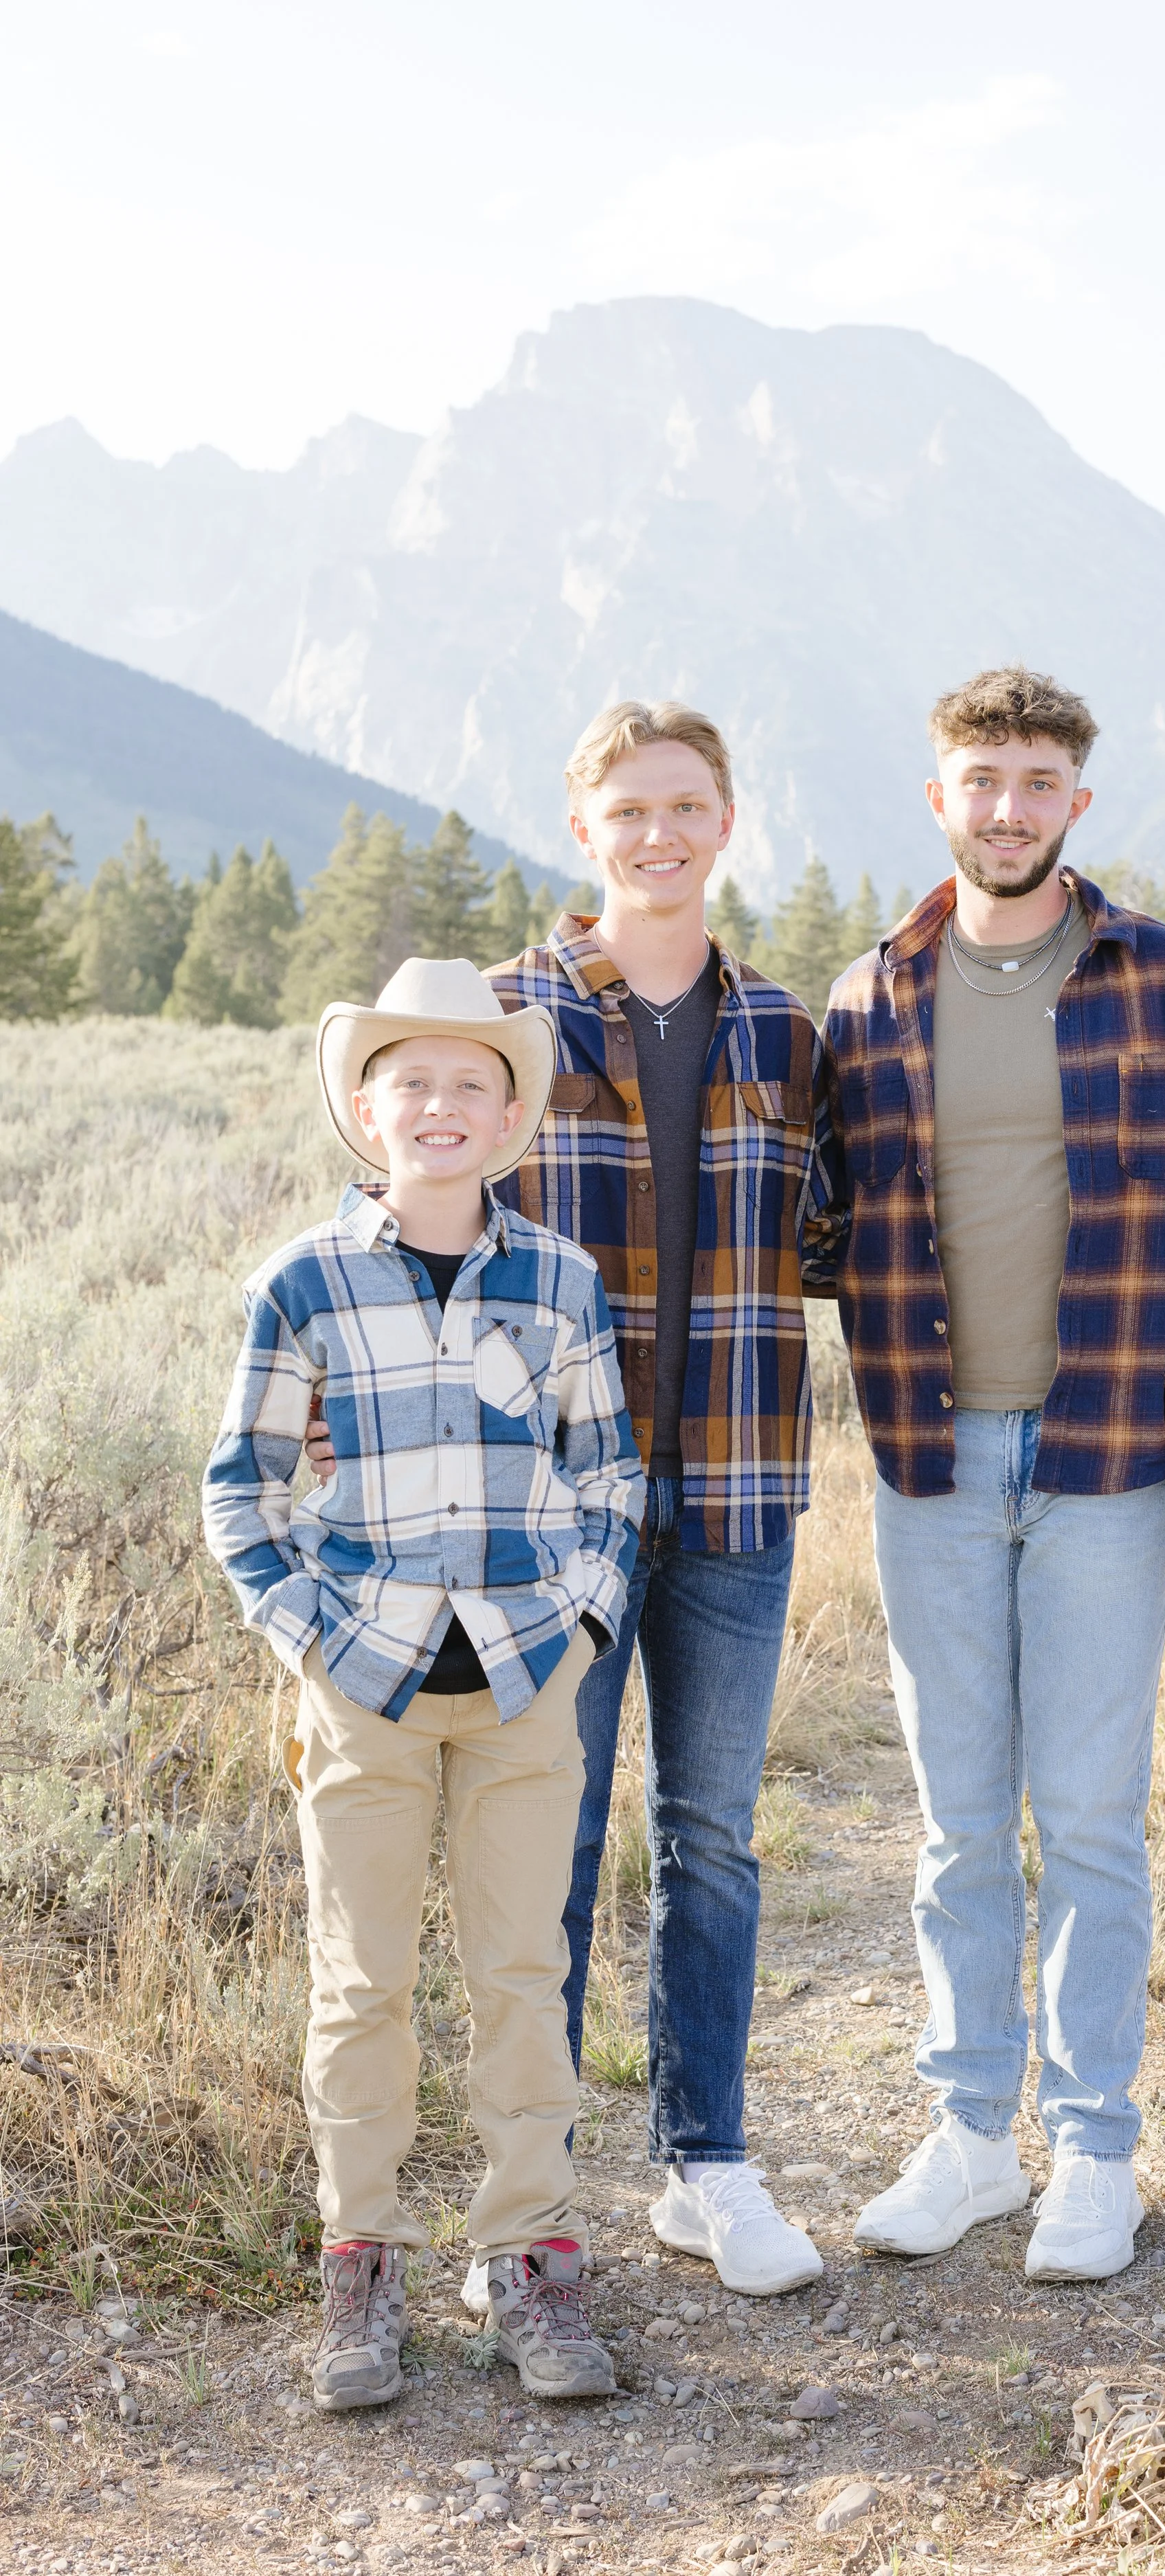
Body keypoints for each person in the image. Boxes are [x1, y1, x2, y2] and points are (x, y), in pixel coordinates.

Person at [820, 666, 1165, 2281]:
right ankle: (970, 2139)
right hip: (927, 1455)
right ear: (939, 799)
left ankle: (1096, 2154)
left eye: (1036, 780)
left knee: (1091, 1817)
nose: (1006, 807)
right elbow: (812, 1221)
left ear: (1076, 800)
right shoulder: (869, 996)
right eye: (978, 779)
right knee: (953, 1823)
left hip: (1104, 1456)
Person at [203, 957, 643, 2410]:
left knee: (524, 1973)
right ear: (365, 1109)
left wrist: (580, 1628)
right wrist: (301, 1633)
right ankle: (362, 2265)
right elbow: (241, 1489)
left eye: (470, 1082)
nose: (440, 1105)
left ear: (509, 1111)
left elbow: (607, 1475)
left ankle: (530, 2259)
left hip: (525, 1675)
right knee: (361, 1980)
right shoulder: (304, 1281)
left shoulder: (559, 1279)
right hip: (362, 1675)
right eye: (411, 1083)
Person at [487, 701, 841, 2297]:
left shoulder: (782, 1029)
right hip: (556, 1508)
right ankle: (529, 2193)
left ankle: (707, 2162)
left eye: (686, 805)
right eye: (628, 809)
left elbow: (837, 1238)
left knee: (711, 1834)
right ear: (583, 830)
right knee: (545, 1843)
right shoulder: (507, 1017)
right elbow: (413, 1213)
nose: (658, 833)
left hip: (739, 1484)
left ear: (724, 823)